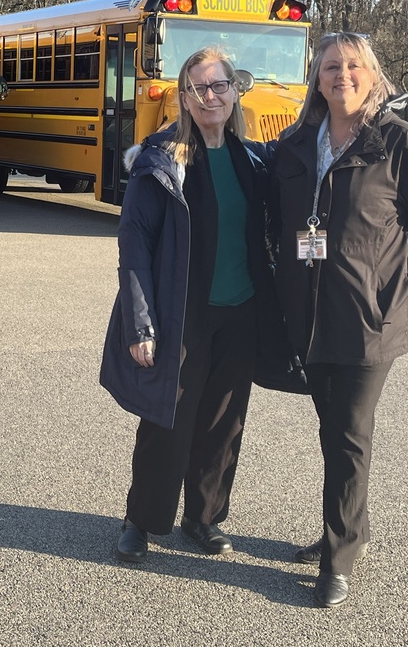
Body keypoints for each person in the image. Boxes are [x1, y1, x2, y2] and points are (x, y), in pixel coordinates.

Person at [267, 32, 408, 607]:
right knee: (334, 431)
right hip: (309, 316)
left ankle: (339, 558)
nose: (341, 75)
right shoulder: (298, 142)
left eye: (353, 66)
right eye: (330, 67)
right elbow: (281, 223)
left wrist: (387, 281)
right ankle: (347, 531)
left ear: (373, 75)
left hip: (368, 320)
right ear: (317, 79)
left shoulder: (400, 144)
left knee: (350, 433)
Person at [99, 47, 269, 563]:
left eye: (219, 85)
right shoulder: (160, 160)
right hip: (181, 311)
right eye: (198, 88)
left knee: (223, 420)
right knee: (166, 418)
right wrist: (140, 324)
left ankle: (204, 517)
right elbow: (135, 247)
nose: (210, 96)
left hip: (240, 312)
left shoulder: (252, 158)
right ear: (184, 97)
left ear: (235, 90)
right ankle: (142, 519)